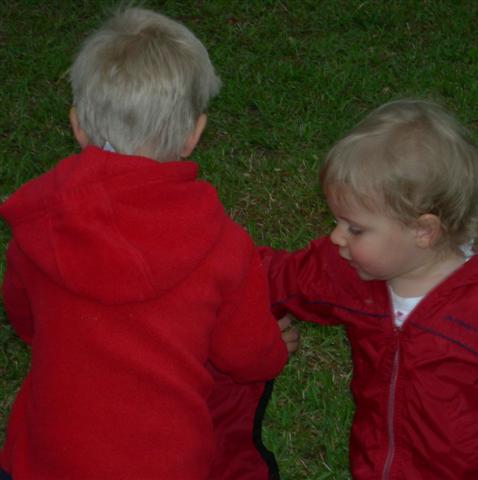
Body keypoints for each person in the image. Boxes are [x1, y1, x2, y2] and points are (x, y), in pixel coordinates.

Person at [0, 8, 294, 480]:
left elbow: (24, 315)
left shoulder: (40, 224)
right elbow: (244, 355)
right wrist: (275, 350)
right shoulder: (222, 244)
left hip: (42, 460)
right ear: (193, 135)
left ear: (76, 124)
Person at [259, 99, 478, 479]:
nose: (336, 237)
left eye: (355, 228)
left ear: (423, 230)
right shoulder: (349, 273)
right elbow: (274, 277)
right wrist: (240, 309)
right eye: (337, 221)